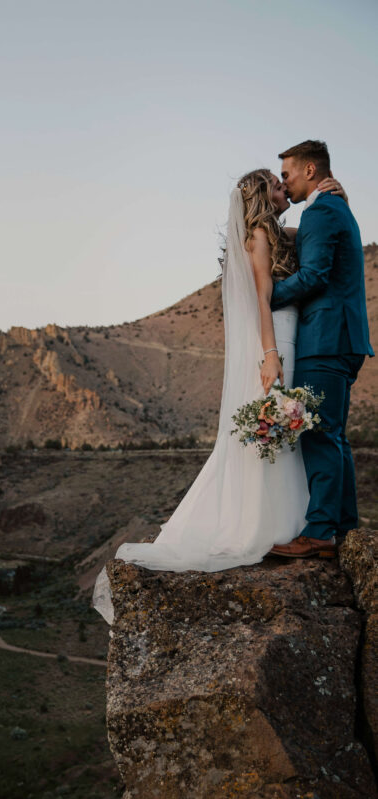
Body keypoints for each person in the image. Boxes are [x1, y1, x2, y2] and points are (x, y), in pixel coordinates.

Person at [92, 166, 347, 625]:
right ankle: (272, 525)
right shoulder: (260, 238)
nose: (282, 186)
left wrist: (325, 198)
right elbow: (264, 301)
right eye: (275, 182)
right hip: (279, 339)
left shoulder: (268, 231)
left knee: (284, 435)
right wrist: (271, 354)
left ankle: (290, 523)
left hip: (289, 337)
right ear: (260, 195)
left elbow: (310, 233)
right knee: (280, 432)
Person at [268, 140, 373, 559]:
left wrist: (265, 297)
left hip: (326, 337)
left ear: (310, 171)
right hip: (342, 338)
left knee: (317, 431)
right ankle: (343, 526)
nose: (285, 182)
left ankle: (320, 533)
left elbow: (313, 276)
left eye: (289, 174)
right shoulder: (331, 208)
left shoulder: (323, 210)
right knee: (334, 435)